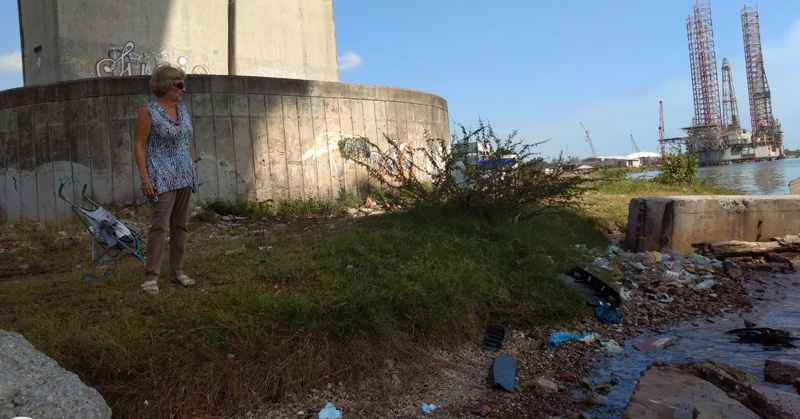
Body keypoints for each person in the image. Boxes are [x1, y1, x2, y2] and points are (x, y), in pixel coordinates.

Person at [134, 63, 197, 294]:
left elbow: (186, 140)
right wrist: (145, 178)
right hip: (161, 177)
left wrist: (192, 165)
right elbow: (139, 146)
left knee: (180, 225)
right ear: (166, 85)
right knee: (159, 226)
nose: (183, 89)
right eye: (179, 85)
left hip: (184, 175)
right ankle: (151, 278)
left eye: (183, 85)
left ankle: (177, 272)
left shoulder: (183, 110)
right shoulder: (148, 111)